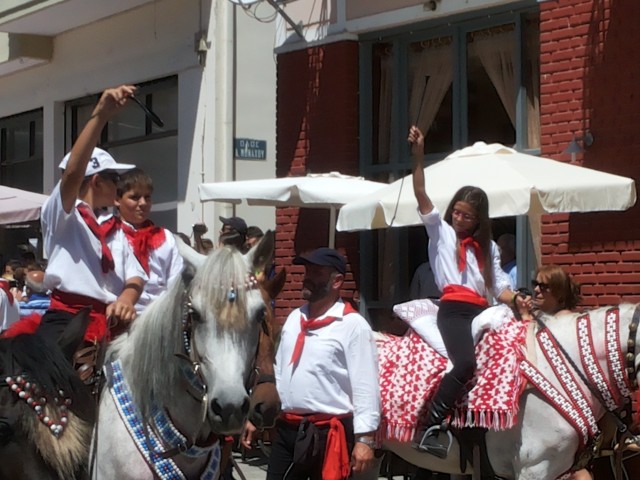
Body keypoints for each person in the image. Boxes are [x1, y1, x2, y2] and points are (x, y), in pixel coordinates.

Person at [408, 125, 527, 458]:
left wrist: (518, 299)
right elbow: (421, 195)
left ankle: (489, 425)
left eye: (467, 215)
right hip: (454, 310)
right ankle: (430, 426)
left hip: (483, 310)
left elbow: (499, 287)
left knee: (510, 357)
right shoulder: (441, 234)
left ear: (478, 220)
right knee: (464, 364)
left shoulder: (488, 247)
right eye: (457, 211)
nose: (459, 218)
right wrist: (418, 157)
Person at [242, 247, 381, 479]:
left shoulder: (353, 326)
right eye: (307, 270)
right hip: (288, 430)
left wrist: (365, 440)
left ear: (337, 281)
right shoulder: (296, 318)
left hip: (328, 434)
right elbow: (281, 372)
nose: (307, 277)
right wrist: (259, 416)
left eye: (316, 273)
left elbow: (366, 386)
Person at [38, 85, 147, 348]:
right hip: (67, 321)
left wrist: (126, 299)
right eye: (114, 179)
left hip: (111, 324)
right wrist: (100, 115)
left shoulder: (116, 227)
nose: (119, 186)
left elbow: (135, 277)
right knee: (53, 388)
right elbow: (73, 174)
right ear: (96, 181)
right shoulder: (63, 215)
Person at [518, 265, 590, 480]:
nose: (536, 290)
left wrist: (525, 319)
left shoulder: (565, 323)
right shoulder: (541, 317)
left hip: (565, 411)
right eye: (535, 284)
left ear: (558, 292)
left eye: (544, 286)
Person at [114, 168, 183, 313]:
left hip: (159, 315)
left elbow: (175, 282)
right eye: (134, 197)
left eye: (148, 197)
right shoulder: (111, 235)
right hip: (120, 314)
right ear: (117, 200)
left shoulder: (166, 237)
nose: (143, 203)